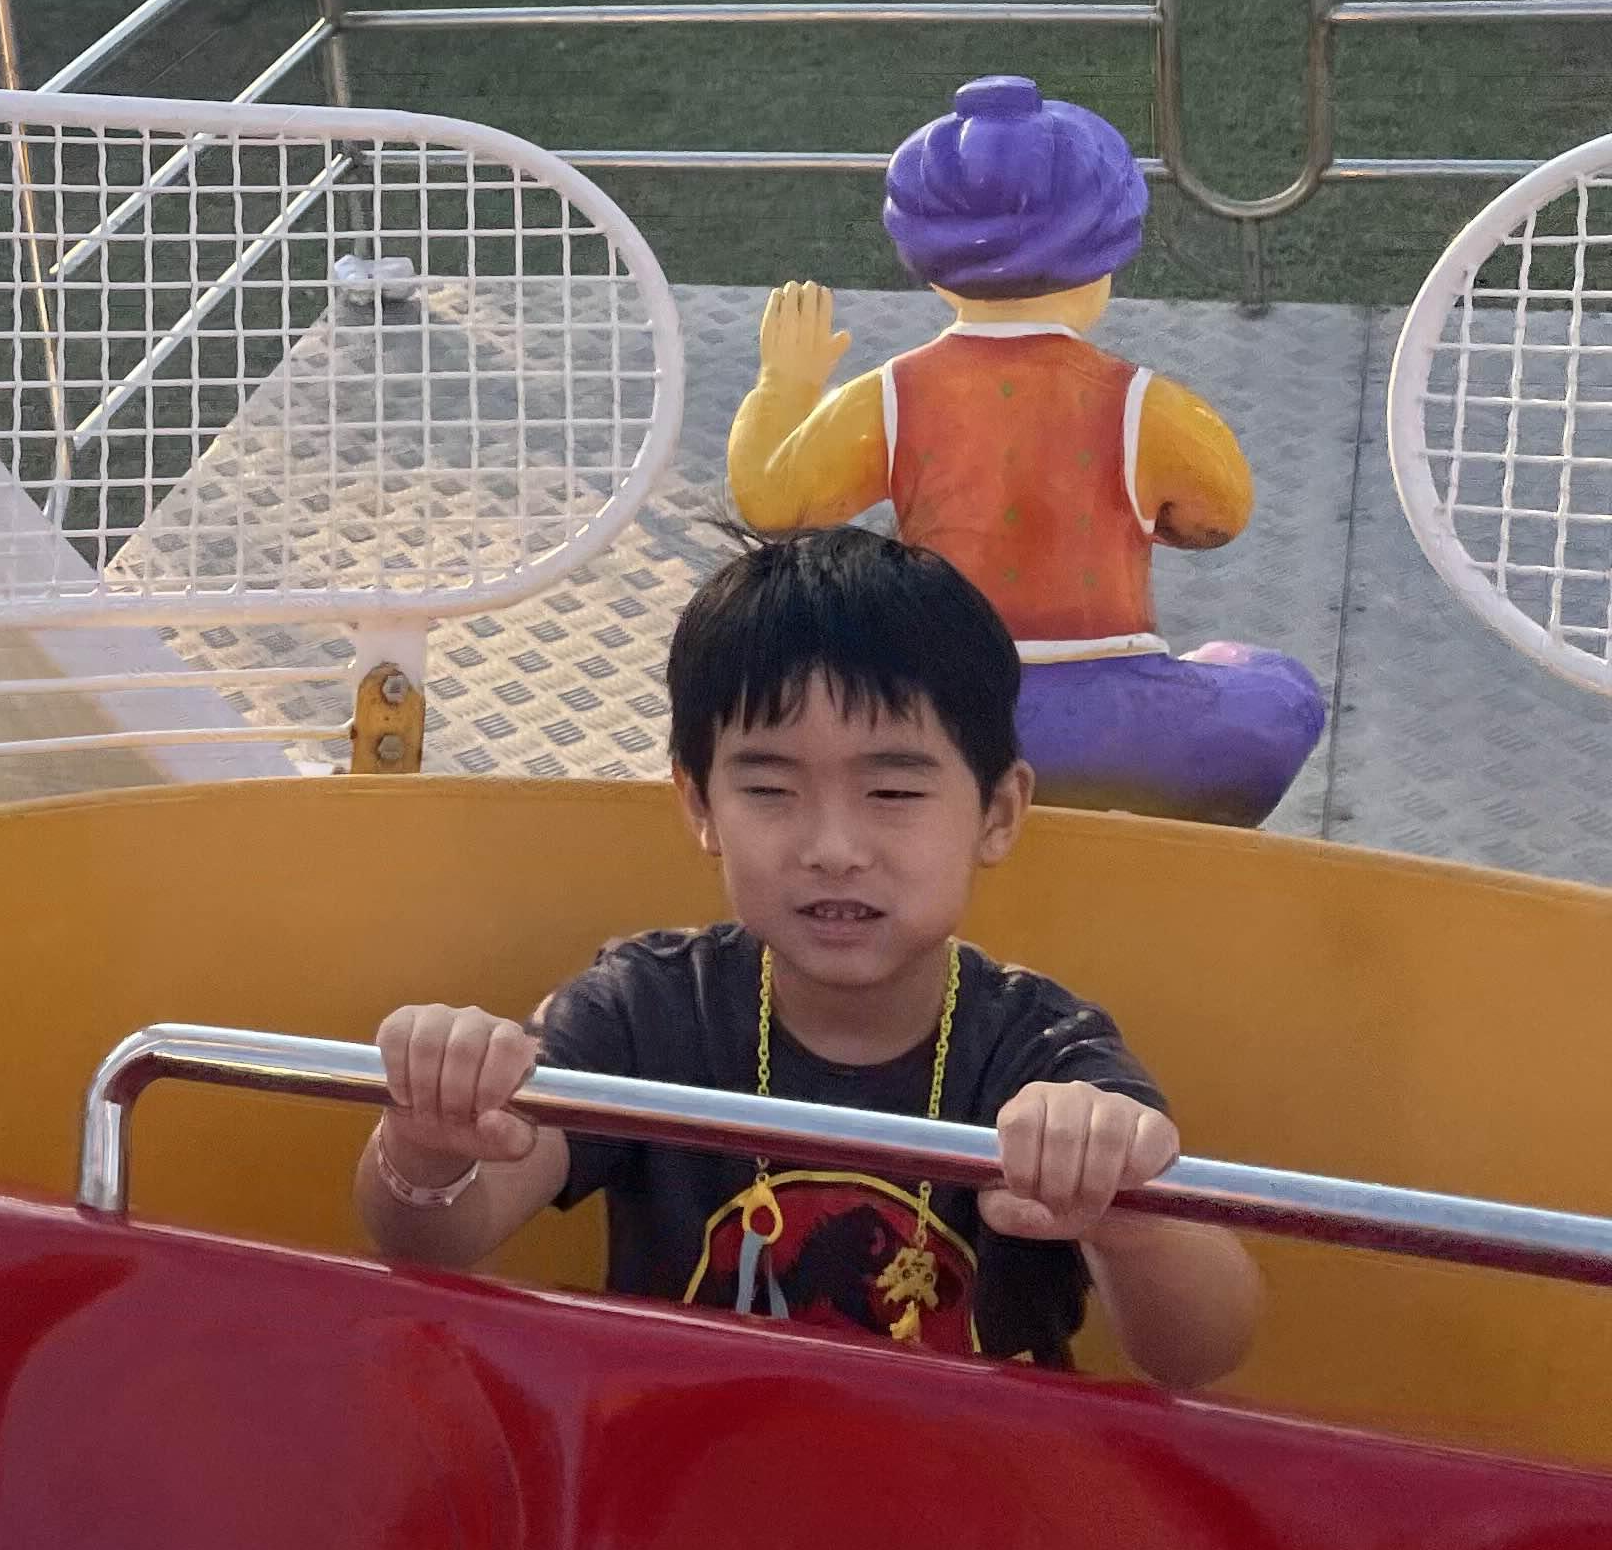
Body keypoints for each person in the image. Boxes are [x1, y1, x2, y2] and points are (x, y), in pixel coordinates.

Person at [355, 527, 1262, 1387]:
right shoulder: (645, 1010)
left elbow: (1199, 1353)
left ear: (997, 814)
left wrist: (1127, 1217)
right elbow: (434, 1240)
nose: (833, 848)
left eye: (892, 791)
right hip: (685, 1461)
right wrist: (427, 1140)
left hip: (972, 1479)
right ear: (700, 806)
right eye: (769, 789)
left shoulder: (1045, 1054)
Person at [724, 74, 1325, 827]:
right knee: (1278, 693)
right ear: (1103, 260)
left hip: (946, 715)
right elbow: (1220, 515)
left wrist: (785, 384)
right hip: (1114, 724)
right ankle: (1167, 843)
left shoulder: (890, 395)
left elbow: (771, 500)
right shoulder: (1145, 403)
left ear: (931, 266)